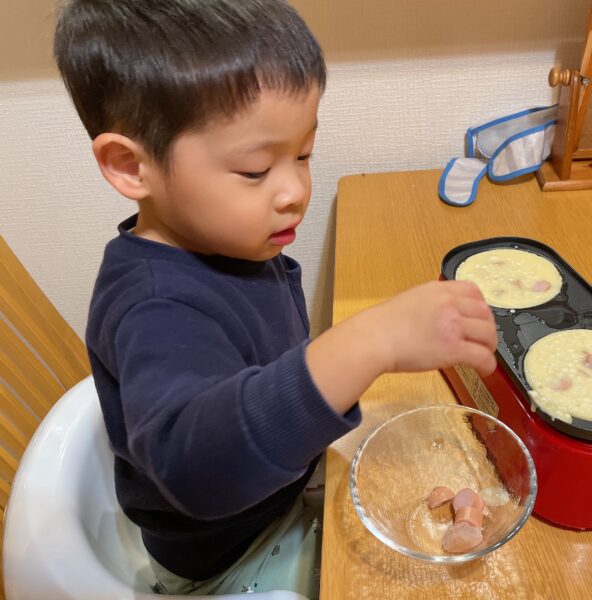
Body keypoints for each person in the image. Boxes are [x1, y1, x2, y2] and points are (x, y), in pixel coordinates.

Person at [53, 0, 497, 596]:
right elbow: (200, 470)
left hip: (277, 488)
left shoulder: (231, 244)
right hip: (227, 556)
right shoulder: (154, 308)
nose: (294, 190)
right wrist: (371, 338)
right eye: (256, 169)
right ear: (131, 166)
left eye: (304, 154)